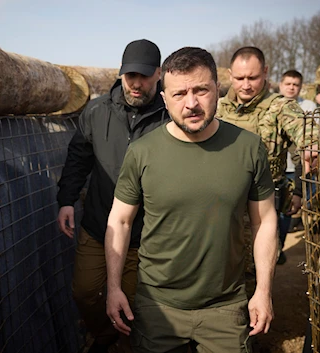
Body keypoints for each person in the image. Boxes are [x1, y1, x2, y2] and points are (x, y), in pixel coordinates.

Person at [105, 47, 278, 353]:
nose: (191, 103)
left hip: (225, 306)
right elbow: (119, 221)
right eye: (179, 93)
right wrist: (114, 286)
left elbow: (264, 220)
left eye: (201, 90)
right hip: (157, 306)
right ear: (164, 99)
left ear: (218, 90)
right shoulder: (142, 152)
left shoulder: (249, 148)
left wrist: (263, 291)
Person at [56, 39, 167, 352]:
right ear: (121, 74)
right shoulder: (96, 112)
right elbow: (78, 158)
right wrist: (66, 199)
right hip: (98, 223)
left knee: (133, 304)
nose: (136, 83)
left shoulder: (168, 118)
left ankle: (128, 342)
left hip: (143, 234)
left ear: (158, 74)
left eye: (144, 76)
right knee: (84, 293)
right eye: (130, 75)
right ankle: (103, 334)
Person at [216, 47, 320, 268]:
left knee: (257, 269)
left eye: (252, 77)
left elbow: (303, 127)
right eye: (239, 78)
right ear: (229, 74)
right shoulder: (219, 108)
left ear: (265, 72)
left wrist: (312, 144)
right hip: (223, 205)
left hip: (262, 206)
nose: (246, 85)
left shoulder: (280, 106)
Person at [278, 69, 315, 233]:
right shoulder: (271, 106)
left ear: (300, 87)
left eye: (295, 84)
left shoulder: (308, 107)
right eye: (288, 84)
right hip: (275, 169)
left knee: (288, 209)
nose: (291, 88)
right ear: (280, 85)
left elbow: (312, 140)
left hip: (296, 168)